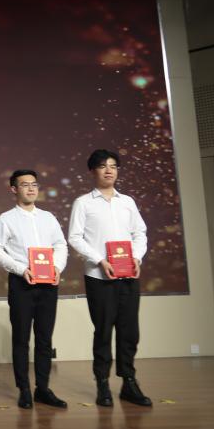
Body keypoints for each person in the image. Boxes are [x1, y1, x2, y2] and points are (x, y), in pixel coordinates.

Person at [68, 149, 151, 407]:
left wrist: (137, 258)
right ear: (92, 171)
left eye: (113, 166)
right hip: (99, 276)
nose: (109, 170)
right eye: (103, 166)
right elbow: (74, 237)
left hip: (128, 275)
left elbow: (140, 233)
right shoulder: (83, 203)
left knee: (129, 331)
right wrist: (99, 260)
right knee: (103, 330)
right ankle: (102, 383)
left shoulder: (127, 202)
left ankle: (129, 382)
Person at [0, 170, 68, 410]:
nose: (31, 189)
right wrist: (20, 268)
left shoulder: (48, 218)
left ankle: (43, 388)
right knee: (21, 338)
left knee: (44, 338)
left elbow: (60, 244)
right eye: (25, 185)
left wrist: (57, 267)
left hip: (48, 284)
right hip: (21, 283)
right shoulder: (6, 219)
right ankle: (23, 389)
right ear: (14, 189)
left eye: (34, 184)